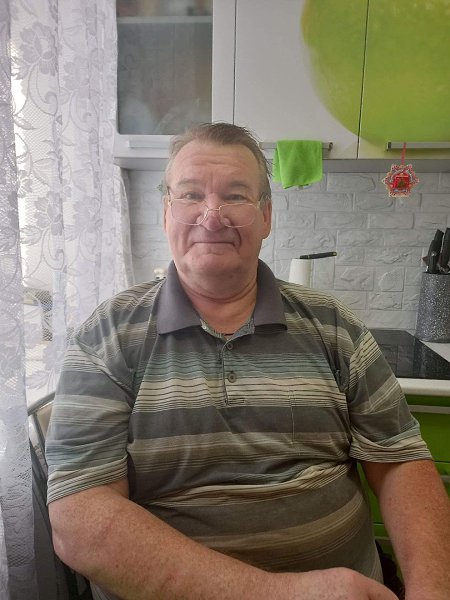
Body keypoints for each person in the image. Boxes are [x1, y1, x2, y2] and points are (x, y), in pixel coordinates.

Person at [46, 122, 450, 600]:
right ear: (167, 213)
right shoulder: (107, 335)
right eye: (191, 194)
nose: (211, 215)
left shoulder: (334, 325)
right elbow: (79, 517)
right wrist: (281, 594)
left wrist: (431, 590)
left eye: (235, 196)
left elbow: (401, 461)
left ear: (266, 216)